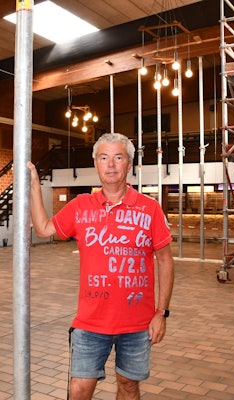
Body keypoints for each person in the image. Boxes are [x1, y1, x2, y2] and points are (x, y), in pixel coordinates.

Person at [28, 132, 174, 400]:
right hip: (90, 322)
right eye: (104, 158)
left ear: (129, 164)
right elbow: (43, 228)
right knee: (79, 390)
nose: (111, 165)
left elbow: (165, 261)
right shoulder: (81, 206)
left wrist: (161, 313)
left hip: (137, 324)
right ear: (95, 163)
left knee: (129, 386)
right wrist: (35, 186)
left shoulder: (150, 209)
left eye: (118, 157)